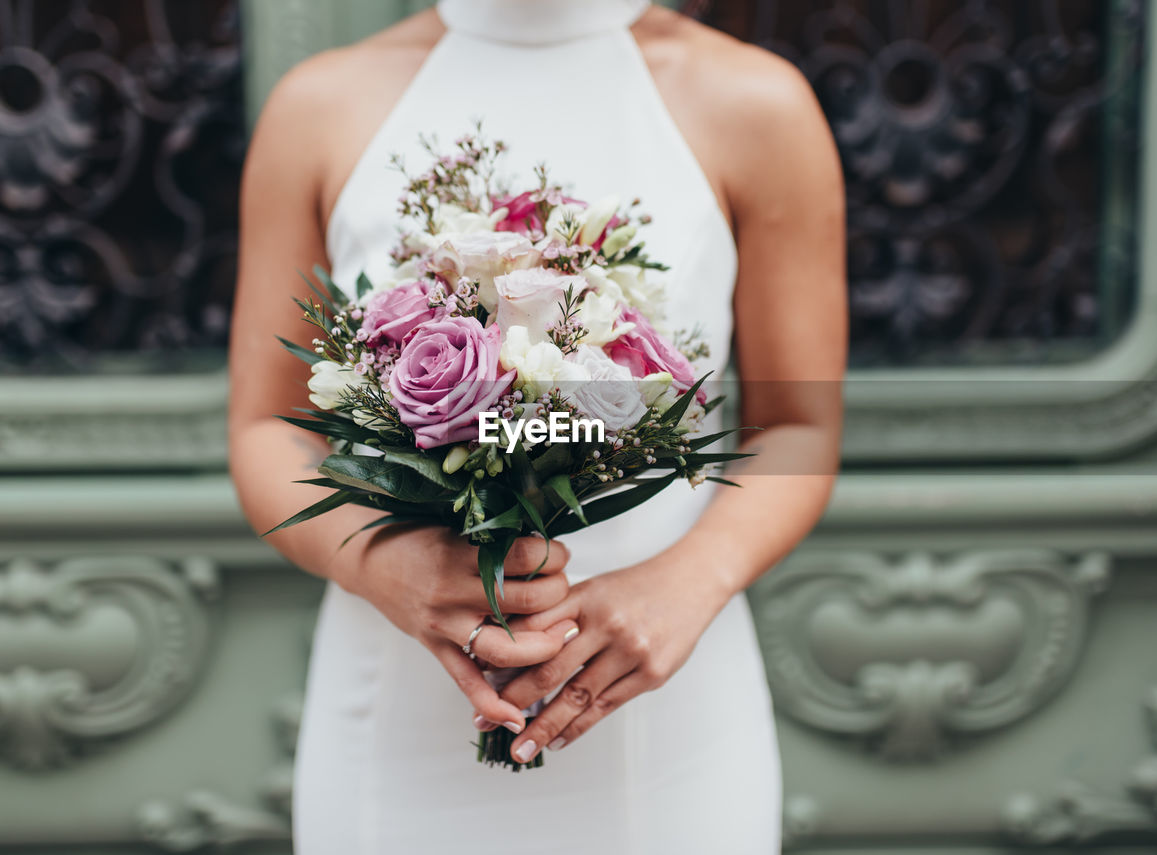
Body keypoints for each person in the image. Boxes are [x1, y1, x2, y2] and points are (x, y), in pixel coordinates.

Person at [227, 0, 845, 851]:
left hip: (664, 724)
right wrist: (381, 564)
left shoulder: (755, 103)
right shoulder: (322, 104)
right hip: (398, 710)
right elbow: (266, 426)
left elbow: (800, 427)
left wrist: (690, 579)